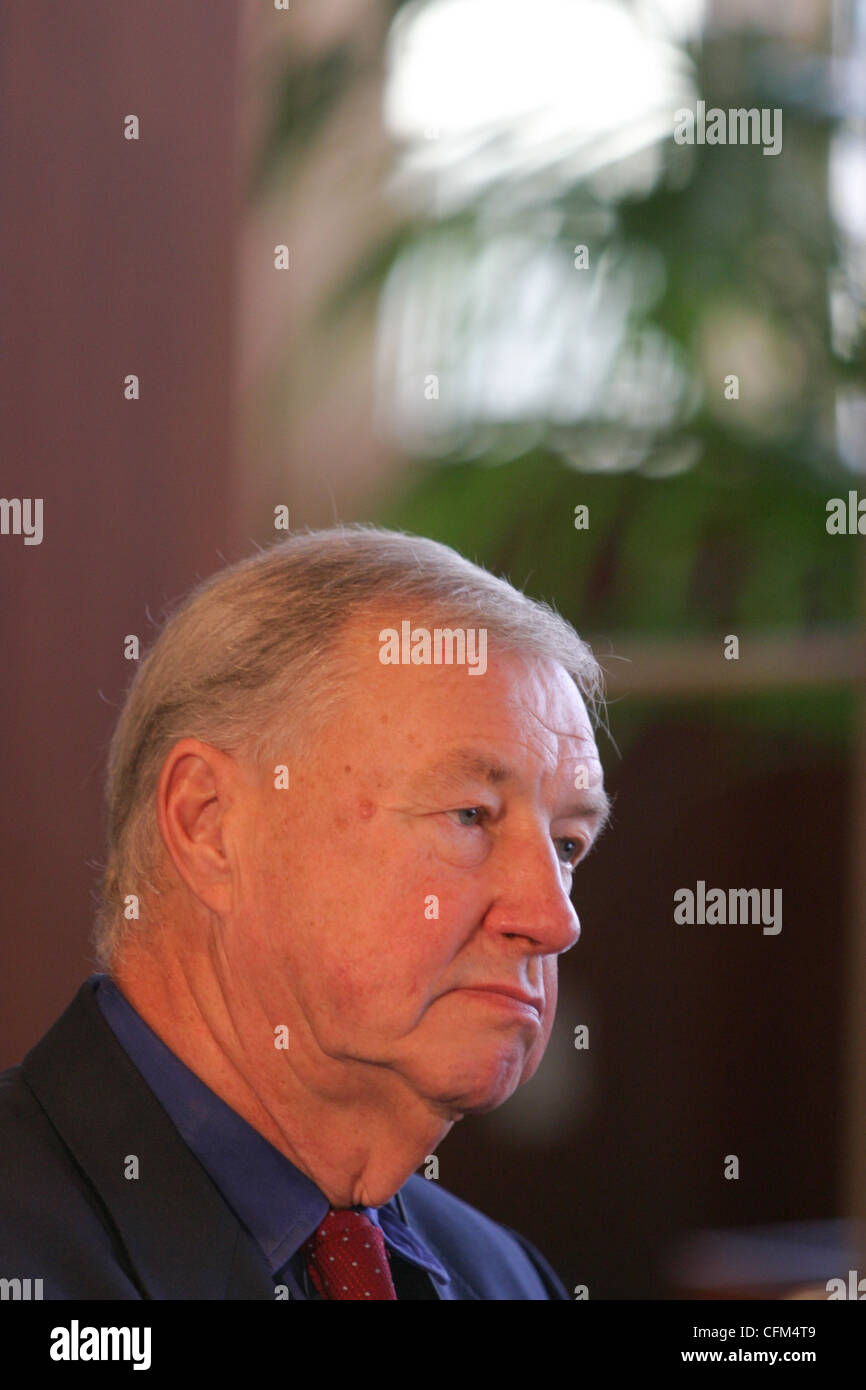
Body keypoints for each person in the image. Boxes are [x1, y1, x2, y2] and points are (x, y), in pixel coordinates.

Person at [0, 526, 610, 1299]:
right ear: (210, 823)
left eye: (566, 844)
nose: (553, 921)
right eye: (469, 816)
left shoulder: (508, 1280)